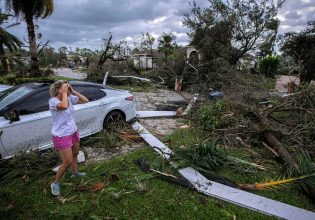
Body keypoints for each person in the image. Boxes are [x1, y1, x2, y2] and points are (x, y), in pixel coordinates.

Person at [49, 80, 89, 196]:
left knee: (75, 154)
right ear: (59, 90)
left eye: (68, 87)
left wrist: (73, 91)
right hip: (61, 135)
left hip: (73, 131)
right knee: (67, 162)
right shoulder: (53, 101)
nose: (68, 89)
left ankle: (75, 173)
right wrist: (65, 94)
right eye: (65, 87)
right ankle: (55, 183)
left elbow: (85, 100)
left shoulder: (70, 97)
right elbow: (64, 106)